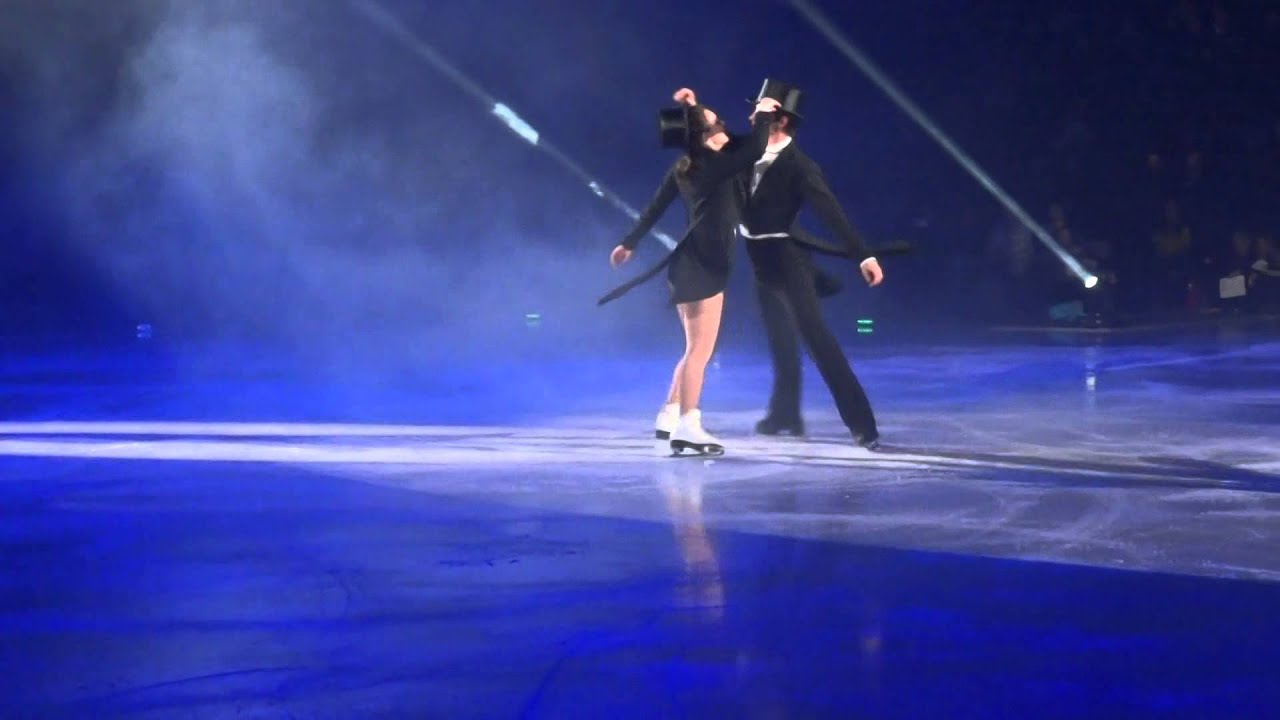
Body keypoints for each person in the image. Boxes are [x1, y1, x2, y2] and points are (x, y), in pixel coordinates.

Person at [599, 92, 782, 456]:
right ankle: (689, 424)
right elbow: (755, 147)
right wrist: (763, 114)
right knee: (700, 352)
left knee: (692, 350)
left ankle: (669, 413)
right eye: (718, 122)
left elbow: (655, 207)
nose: (725, 126)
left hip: (693, 261)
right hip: (703, 263)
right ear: (707, 135)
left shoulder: (691, 165)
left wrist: (629, 242)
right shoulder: (716, 165)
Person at [727, 79, 887, 448]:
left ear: (781, 119)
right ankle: (785, 413)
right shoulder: (746, 152)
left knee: (817, 340)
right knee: (780, 341)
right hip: (759, 261)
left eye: (761, 109)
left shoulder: (800, 166)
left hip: (788, 260)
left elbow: (831, 212)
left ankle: (863, 424)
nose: (752, 115)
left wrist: (863, 255)